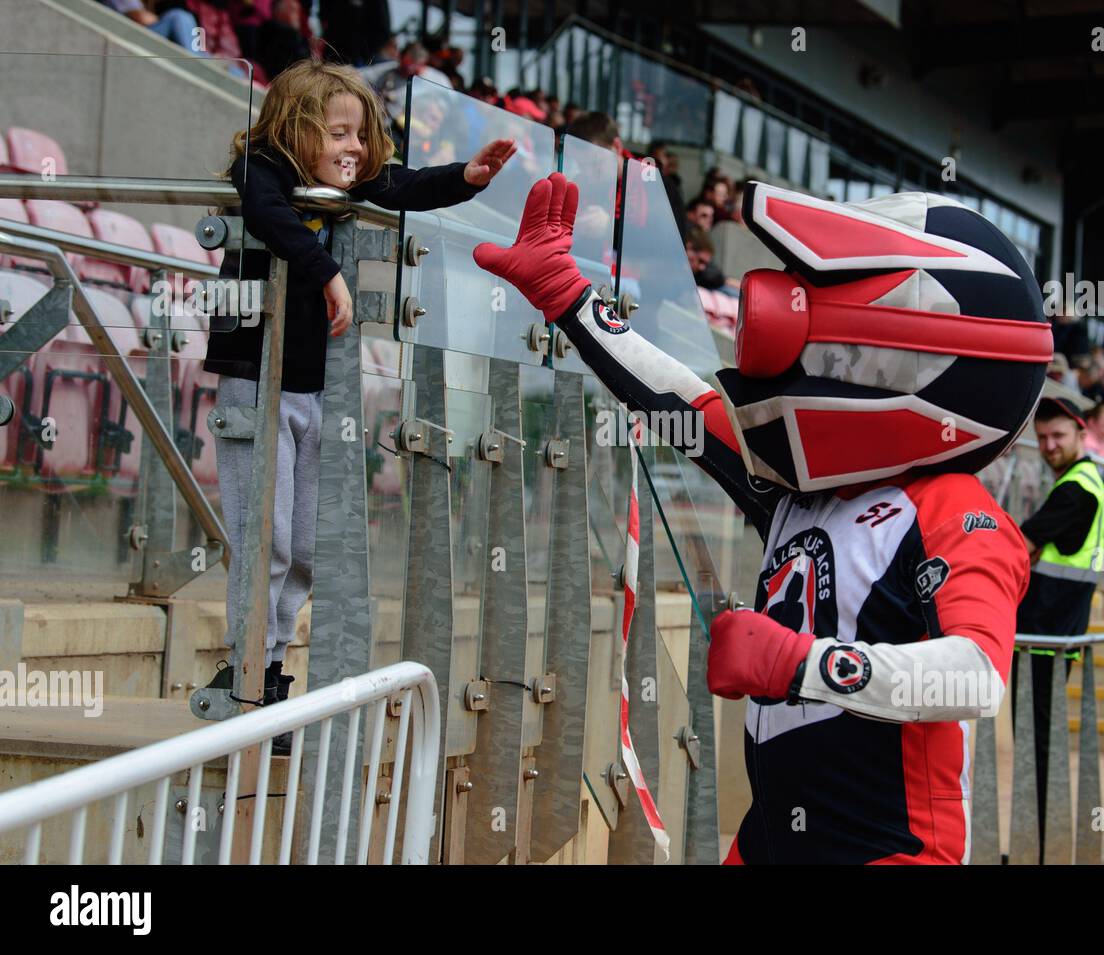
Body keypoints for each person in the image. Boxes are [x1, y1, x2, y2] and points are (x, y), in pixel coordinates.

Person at [474, 175, 1051, 863]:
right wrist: (570, 299)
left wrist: (800, 661)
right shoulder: (795, 485)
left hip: (890, 852)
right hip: (771, 837)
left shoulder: (951, 506)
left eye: (850, 354)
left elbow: (974, 675)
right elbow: (678, 401)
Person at [200, 61, 514, 730]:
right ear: (293, 128)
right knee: (270, 541)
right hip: (255, 385)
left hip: (313, 390)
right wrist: (329, 274)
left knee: (309, 547)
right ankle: (248, 671)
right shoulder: (262, 167)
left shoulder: (340, 181)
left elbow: (400, 184)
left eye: (362, 134)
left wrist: (466, 177)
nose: (355, 149)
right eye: (338, 132)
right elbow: (267, 213)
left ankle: (271, 669)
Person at [1012, 396, 1104, 863]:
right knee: (1038, 747)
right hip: (1051, 639)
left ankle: (1039, 850)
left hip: (1043, 643)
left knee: (1036, 750)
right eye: (1042, 438)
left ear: (1081, 433)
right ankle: (1040, 845)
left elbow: (1017, 547)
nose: (1049, 446)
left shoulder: (1076, 489)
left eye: (1059, 437)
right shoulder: (1084, 480)